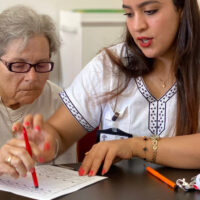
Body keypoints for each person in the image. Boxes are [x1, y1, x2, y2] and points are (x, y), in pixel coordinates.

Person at [9, 0, 200, 179]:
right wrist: (46, 141)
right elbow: (60, 132)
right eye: (128, 14)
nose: (137, 26)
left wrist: (135, 146)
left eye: (150, 11)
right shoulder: (109, 65)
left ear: (182, 9)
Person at [0, 5, 76, 177]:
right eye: (19, 65)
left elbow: (66, 176)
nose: (32, 77)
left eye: (41, 65)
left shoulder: (60, 103)